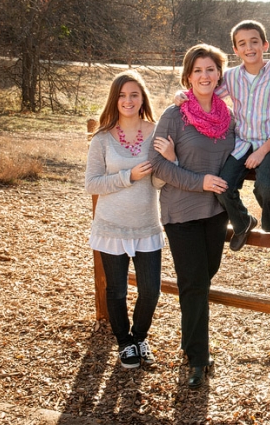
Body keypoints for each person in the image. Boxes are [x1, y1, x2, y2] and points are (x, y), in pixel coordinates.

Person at [148, 44, 236, 389]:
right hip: (180, 212)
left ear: (219, 75)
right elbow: (157, 164)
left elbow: (234, 158)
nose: (205, 75)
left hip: (215, 213)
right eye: (198, 70)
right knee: (194, 283)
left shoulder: (227, 116)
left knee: (203, 278)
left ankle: (192, 345)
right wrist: (198, 181)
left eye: (211, 69)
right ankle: (197, 357)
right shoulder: (174, 114)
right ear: (188, 75)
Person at [85, 70, 168, 370]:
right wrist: (127, 177)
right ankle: (124, 342)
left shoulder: (157, 132)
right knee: (116, 289)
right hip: (112, 226)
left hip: (147, 224)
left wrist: (168, 159)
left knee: (150, 290)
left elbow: (159, 183)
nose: (128, 100)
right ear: (114, 99)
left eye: (134, 94)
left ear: (142, 97)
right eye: (122, 95)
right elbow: (92, 183)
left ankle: (139, 336)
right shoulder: (103, 138)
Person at [215, 20, 270, 251]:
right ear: (236, 50)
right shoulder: (231, 77)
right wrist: (184, 95)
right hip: (241, 142)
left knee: (265, 187)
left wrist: (262, 152)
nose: (249, 47)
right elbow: (209, 94)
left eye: (254, 42)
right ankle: (243, 222)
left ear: (265, 45)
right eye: (242, 43)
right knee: (223, 187)